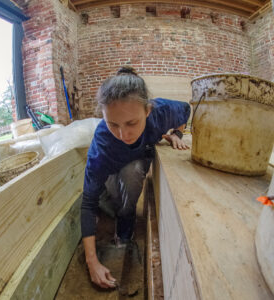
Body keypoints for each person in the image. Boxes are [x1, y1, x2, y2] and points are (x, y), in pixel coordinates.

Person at [81, 66, 191, 288]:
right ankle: (116, 212)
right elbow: (87, 203)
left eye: (132, 123)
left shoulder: (161, 112)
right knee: (106, 201)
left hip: (133, 168)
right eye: (113, 124)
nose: (123, 134)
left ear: (148, 111)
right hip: (110, 173)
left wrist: (175, 135)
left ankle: (124, 230)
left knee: (131, 175)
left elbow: (186, 110)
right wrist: (92, 261)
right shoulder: (102, 144)